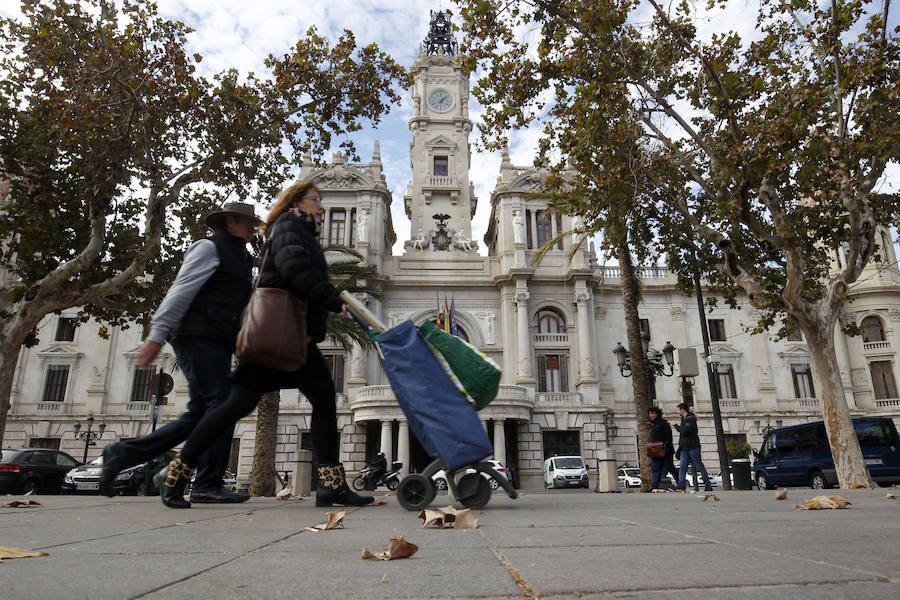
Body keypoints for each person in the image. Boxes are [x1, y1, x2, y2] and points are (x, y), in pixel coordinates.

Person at [157, 181, 375, 509]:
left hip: (294, 337)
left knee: (320, 397)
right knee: (236, 406)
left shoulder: (299, 230)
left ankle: (331, 485)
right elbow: (292, 268)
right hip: (280, 334)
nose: (322, 207)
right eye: (316, 200)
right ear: (295, 204)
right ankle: (176, 475)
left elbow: (298, 270)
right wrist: (331, 297)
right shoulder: (290, 225)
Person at [98, 202, 261, 504]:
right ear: (231, 221)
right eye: (249, 222)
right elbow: (180, 290)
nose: (254, 227)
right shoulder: (208, 248)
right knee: (223, 405)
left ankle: (123, 453)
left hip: (217, 339)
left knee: (202, 413)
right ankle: (206, 483)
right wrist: (156, 336)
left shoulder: (242, 255)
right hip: (197, 334)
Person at [674, 402, 713, 491]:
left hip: (693, 447)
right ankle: (680, 486)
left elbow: (685, 431)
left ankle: (708, 485)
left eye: (678, 410)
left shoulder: (690, 419)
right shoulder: (684, 419)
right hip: (685, 448)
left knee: (699, 466)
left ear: (682, 410)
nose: (678, 412)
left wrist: (676, 427)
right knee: (682, 467)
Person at [648, 406, 678, 489]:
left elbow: (668, 437)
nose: (651, 415)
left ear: (657, 414)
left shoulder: (663, 423)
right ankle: (655, 486)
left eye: (653, 413)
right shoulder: (652, 424)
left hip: (665, 450)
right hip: (655, 450)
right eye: (650, 413)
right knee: (656, 468)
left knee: (670, 467)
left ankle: (680, 483)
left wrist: (666, 447)